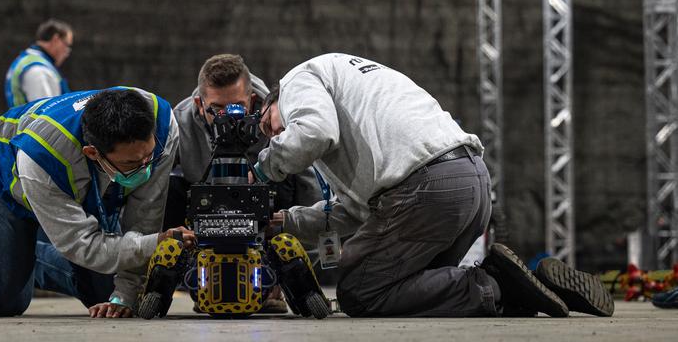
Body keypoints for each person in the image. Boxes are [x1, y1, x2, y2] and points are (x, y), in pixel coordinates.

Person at [253, 52, 613, 318]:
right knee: (416, 287)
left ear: (275, 97)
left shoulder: (298, 80)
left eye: (270, 125)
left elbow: (313, 132)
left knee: (360, 290)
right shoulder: (354, 99)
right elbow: (354, 214)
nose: (277, 136)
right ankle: (534, 285)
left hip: (426, 191)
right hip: (470, 181)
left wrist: (264, 170)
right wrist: (289, 222)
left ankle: (493, 285)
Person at [0, 87, 194, 319]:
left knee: (105, 291)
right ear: (93, 153)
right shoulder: (41, 158)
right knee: (3, 300)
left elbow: (145, 217)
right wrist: (153, 244)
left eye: (149, 156)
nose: (147, 168)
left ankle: (15, 256)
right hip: (9, 175)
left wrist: (125, 295)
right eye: (133, 164)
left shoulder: (161, 123)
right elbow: (84, 245)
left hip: (78, 185)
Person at [165, 53, 321, 230]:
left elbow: (308, 180)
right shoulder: (180, 122)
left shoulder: (276, 117)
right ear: (200, 105)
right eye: (217, 109)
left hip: (265, 205)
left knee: (289, 170)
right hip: (205, 205)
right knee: (170, 187)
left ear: (252, 100)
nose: (228, 118)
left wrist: (311, 247)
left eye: (237, 107)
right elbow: (156, 182)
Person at [4, 19, 74, 107]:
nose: (67, 52)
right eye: (67, 45)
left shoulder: (27, 61)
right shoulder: (38, 70)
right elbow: (46, 113)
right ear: (56, 39)